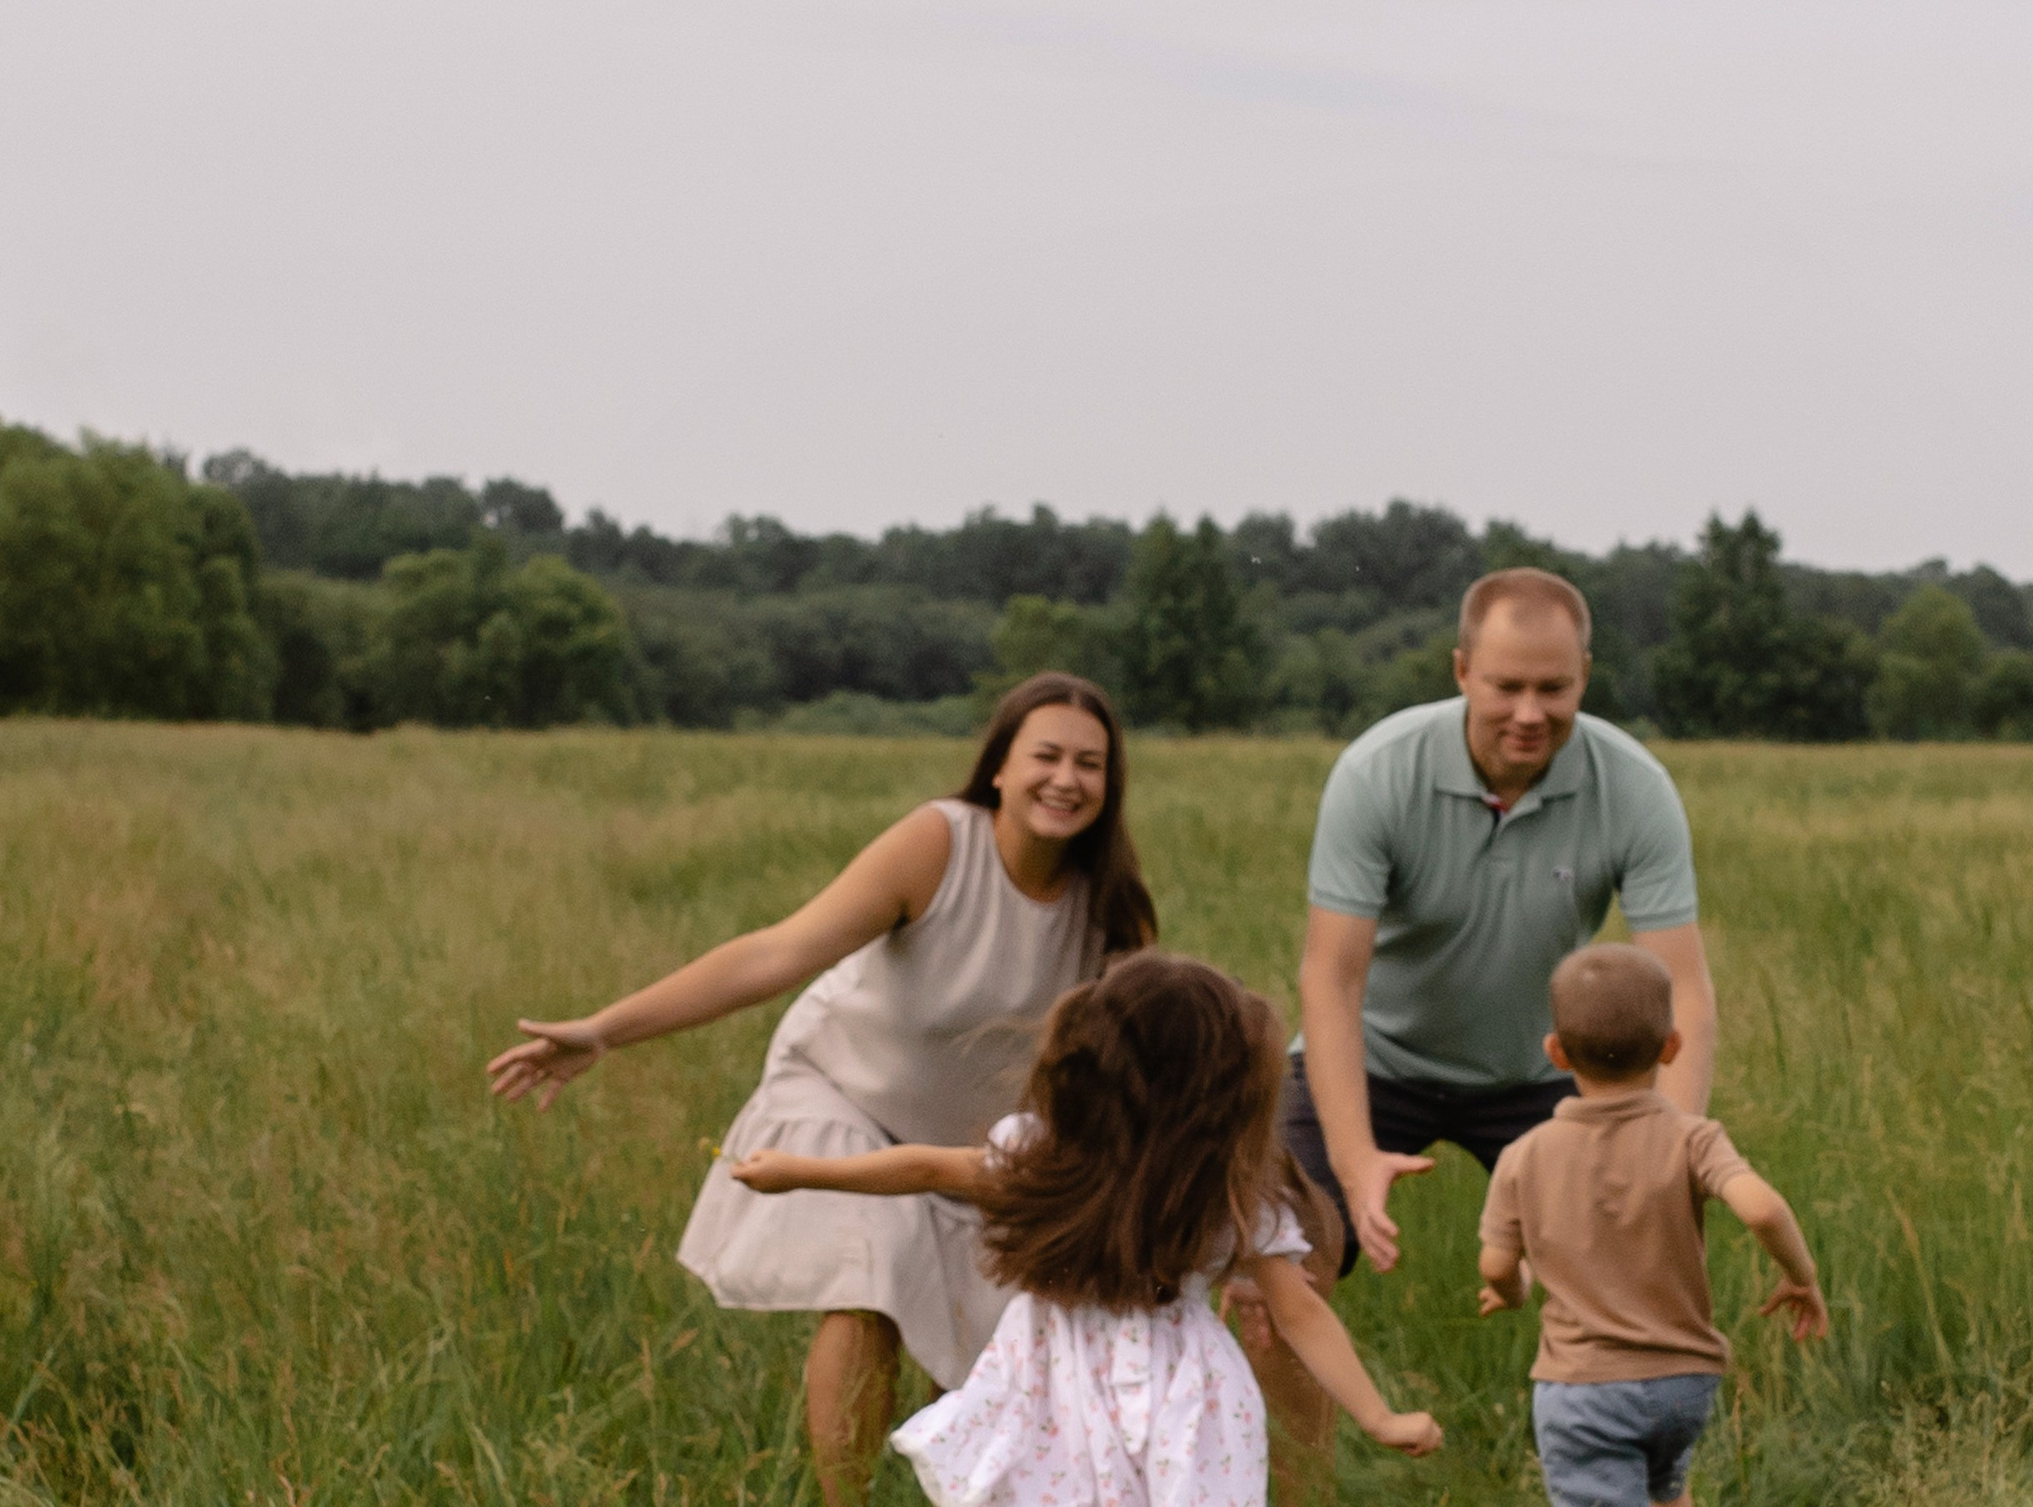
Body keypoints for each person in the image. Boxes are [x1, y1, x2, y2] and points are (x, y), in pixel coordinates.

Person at [485, 673, 1155, 1507]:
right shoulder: (938, 844)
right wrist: (605, 1030)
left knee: (1001, 1354)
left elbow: (1137, 1064)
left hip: (971, 1149)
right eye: (1045, 756)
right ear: (998, 769)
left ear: (1109, 783)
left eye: (1089, 764)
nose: (1066, 779)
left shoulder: (1112, 905)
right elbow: (777, 954)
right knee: (871, 1279)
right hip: (844, 1094)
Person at [731, 953, 1442, 1506]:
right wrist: (800, 1171)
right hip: (1063, 1378)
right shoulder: (1052, 1157)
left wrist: (1378, 1416)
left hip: (1168, 1392)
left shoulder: (1224, 1194)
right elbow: (924, 1168)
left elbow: (1300, 1311)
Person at [1287, 568, 1717, 1282]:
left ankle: (1590, 1399)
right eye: (1504, 687)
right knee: (1285, 1259)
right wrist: (1353, 1157)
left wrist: (1665, 1153)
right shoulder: (1376, 772)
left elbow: (1685, 996)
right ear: (1461, 672)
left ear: (1584, 676)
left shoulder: (1636, 789)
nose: (1528, 713)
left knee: (1642, 1258)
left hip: (1539, 1068)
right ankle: (1313, 1401)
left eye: (1553, 689)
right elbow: (1331, 977)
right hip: (1376, 1059)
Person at [1477, 945, 1826, 1507]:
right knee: (1668, 1495)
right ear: (1672, 1046)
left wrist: (1512, 1289)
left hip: (1584, 1391)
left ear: (1556, 1053)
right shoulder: (1694, 1138)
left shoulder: (1525, 1155)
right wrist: (1801, 1275)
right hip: (1682, 1387)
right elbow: (1762, 1209)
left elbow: (1496, 1264)